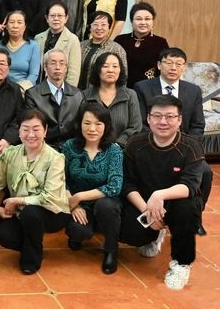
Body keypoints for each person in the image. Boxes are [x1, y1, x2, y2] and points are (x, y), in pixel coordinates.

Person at [119, 94, 205, 290]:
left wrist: (160, 195)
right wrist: (148, 210)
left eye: (170, 116)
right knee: (128, 233)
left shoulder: (191, 146)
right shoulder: (135, 144)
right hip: (144, 203)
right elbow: (127, 184)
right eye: (157, 116)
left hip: (175, 202)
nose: (163, 122)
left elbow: (190, 185)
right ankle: (153, 236)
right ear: (148, 118)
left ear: (180, 120)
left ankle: (181, 263)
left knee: (188, 207)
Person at [134, 47, 210, 236]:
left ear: (184, 67)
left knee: (206, 172)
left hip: (185, 150)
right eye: (168, 63)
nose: (173, 67)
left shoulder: (193, 90)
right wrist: (159, 142)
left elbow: (198, 125)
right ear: (159, 65)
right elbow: (141, 122)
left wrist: (188, 148)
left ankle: (195, 217)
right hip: (153, 146)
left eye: (178, 64)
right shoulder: (142, 87)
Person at [0, 109, 70, 275]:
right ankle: (32, 243)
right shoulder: (10, 154)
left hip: (52, 211)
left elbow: (50, 197)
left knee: (31, 213)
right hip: (18, 211)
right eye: (25, 129)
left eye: (36, 129)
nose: (30, 135)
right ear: (19, 131)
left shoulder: (55, 158)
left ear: (45, 131)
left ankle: (31, 259)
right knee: (5, 237)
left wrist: (17, 200)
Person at [61, 103, 123, 274]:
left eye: (98, 124)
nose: (92, 129)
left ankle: (111, 251)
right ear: (79, 124)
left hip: (104, 202)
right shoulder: (69, 147)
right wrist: (73, 204)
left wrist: (79, 196)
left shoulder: (114, 150)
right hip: (77, 205)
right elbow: (61, 179)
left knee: (106, 206)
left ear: (106, 126)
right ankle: (80, 234)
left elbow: (115, 186)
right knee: (78, 231)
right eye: (87, 123)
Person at [24, 49, 84, 148]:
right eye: (53, 63)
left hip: (72, 148)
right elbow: (32, 126)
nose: (58, 67)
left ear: (66, 68)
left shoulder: (78, 95)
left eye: (62, 63)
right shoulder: (33, 94)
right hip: (44, 148)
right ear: (45, 67)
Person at [82, 52, 143, 148]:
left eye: (115, 66)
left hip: (122, 149)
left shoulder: (130, 95)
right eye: (105, 66)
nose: (110, 70)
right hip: (91, 149)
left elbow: (136, 127)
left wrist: (117, 145)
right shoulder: (85, 95)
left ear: (120, 70)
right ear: (98, 69)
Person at [115, 2, 169, 88]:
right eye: (139, 19)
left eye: (147, 19)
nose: (143, 22)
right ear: (132, 21)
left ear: (152, 21)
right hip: (122, 88)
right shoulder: (120, 40)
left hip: (150, 89)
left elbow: (165, 68)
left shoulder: (160, 42)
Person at [0, 10, 40, 91]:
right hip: (0, 89)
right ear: (6, 26)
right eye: (11, 22)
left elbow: (34, 74)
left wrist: (18, 89)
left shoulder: (33, 46)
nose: (15, 26)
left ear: (25, 26)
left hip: (24, 90)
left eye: (19, 22)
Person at [34, 1, 81, 86]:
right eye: (52, 15)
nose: (56, 19)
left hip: (60, 87)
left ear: (66, 18)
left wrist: (68, 92)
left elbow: (73, 72)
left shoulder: (73, 40)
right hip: (39, 86)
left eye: (60, 16)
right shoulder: (38, 38)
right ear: (47, 18)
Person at [78, 11, 128, 89]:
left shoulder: (116, 49)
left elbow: (123, 77)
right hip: (78, 92)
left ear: (109, 28)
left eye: (103, 25)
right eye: (95, 24)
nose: (99, 28)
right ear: (89, 27)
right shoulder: (81, 45)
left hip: (101, 93)